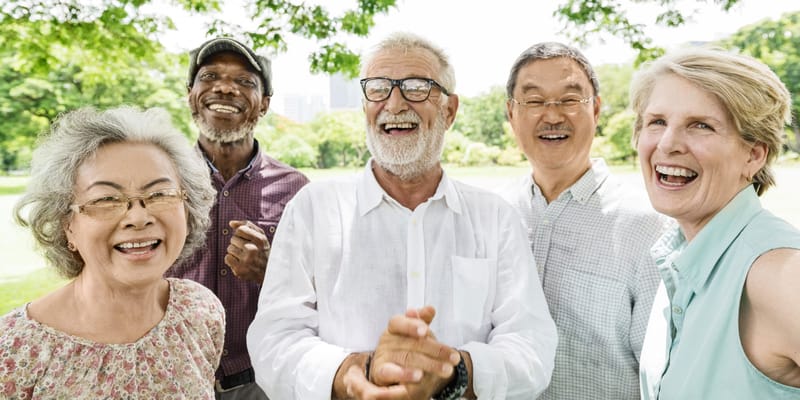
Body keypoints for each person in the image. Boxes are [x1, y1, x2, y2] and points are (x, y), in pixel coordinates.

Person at [246, 32, 558, 400]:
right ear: (365, 106)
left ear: (450, 110)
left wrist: (451, 373)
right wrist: (359, 373)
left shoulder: (495, 218)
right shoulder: (313, 209)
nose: (394, 104)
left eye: (416, 87)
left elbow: (532, 346)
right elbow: (274, 340)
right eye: (378, 88)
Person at [0, 106, 223, 398]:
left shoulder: (200, 311)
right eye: (106, 199)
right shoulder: (15, 351)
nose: (138, 217)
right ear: (67, 225)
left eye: (159, 194)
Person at [501, 41, 671, 399]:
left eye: (569, 99)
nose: (552, 115)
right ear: (511, 113)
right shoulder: (495, 215)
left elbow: (662, 376)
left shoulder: (646, 226)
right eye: (534, 101)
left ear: (595, 109)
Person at [632, 48, 800, 399]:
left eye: (701, 126)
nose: (668, 143)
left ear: (754, 155)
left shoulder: (776, 273)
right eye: (657, 121)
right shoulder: (680, 255)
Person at [166, 37, 309, 399]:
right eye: (210, 76)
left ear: (264, 104)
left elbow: (322, 295)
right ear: (190, 93)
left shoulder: (297, 190)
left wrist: (270, 270)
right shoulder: (159, 179)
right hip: (170, 375)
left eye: (245, 81)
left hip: (260, 381)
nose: (225, 88)